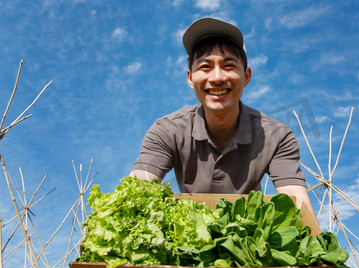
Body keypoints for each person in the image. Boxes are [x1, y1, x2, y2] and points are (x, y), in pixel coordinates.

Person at [130, 17, 317, 220]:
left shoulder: (278, 136)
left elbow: (296, 203)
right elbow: (137, 189)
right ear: (190, 79)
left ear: (246, 77)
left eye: (228, 66)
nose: (217, 77)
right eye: (205, 67)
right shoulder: (166, 130)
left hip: (248, 241)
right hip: (188, 235)